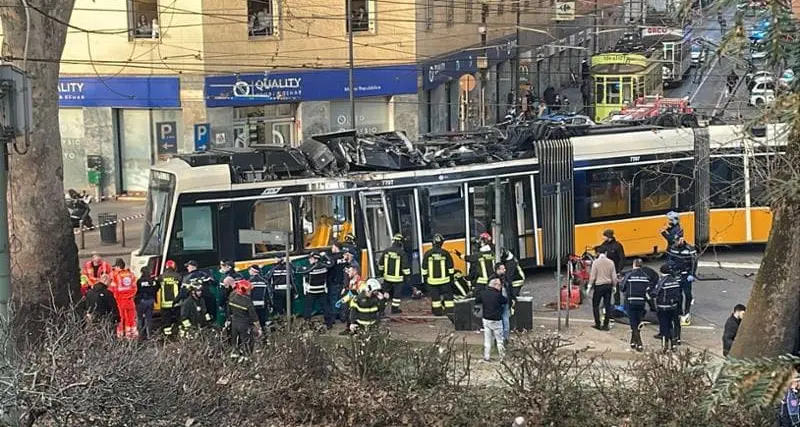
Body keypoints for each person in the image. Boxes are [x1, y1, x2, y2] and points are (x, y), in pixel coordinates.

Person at [620, 259, 651, 352]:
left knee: (633, 323)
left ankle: (639, 342)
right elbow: (648, 289)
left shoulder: (629, 275)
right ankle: (633, 341)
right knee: (638, 322)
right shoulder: (646, 276)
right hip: (641, 302)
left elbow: (622, 287)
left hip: (631, 301)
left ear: (634, 265)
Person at [227, 279, 262, 361]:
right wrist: (259, 328)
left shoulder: (232, 295)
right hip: (245, 325)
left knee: (235, 343)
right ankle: (247, 361)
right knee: (247, 344)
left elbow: (229, 310)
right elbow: (254, 317)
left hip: (234, 323)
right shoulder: (247, 301)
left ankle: (234, 360)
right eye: (248, 290)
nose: (250, 292)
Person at [650, 264, 683, 352]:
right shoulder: (675, 281)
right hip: (674, 306)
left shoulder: (662, 281)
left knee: (664, 326)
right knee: (671, 325)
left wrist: (649, 292)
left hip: (663, 307)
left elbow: (655, 293)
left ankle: (665, 346)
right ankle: (674, 344)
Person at [667, 236, 698, 326]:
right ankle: (680, 311)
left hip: (686, 274)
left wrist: (691, 274)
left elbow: (694, 262)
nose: (676, 243)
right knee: (678, 294)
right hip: (677, 274)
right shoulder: (673, 248)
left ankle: (687, 311)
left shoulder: (689, 248)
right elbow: (670, 260)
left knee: (688, 294)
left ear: (682, 239)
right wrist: (671, 272)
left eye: (677, 241)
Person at [421, 234, 455, 316]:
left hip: (432, 282)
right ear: (441, 243)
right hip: (445, 281)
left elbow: (424, 269)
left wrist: (426, 279)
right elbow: (451, 268)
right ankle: (450, 312)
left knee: (435, 299)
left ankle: (437, 312)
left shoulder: (427, 254)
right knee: (448, 298)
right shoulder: (445, 253)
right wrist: (451, 278)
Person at [298, 252, 334, 329]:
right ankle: (329, 324)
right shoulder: (325, 266)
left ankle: (307, 322)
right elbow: (331, 262)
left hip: (312, 291)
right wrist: (325, 255)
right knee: (325, 307)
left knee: (308, 308)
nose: (309, 260)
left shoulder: (311, 268)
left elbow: (299, 271)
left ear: (316, 259)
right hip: (322, 290)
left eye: (311, 258)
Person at [455, 232, 495, 301]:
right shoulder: (492, 254)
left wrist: (459, 255)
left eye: (480, 240)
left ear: (483, 242)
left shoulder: (478, 255)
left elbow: (467, 258)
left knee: (476, 297)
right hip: (492, 280)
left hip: (482, 281)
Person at [378, 233, 410, 314]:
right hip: (398, 279)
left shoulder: (386, 251)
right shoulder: (402, 253)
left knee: (385, 294)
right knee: (396, 296)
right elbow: (405, 267)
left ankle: (381, 310)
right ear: (400, 243)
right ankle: (394, 309)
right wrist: (407, 277)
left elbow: (380, 264)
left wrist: (381, 273)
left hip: (387, 278)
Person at [477, 278, 507, 362]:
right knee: (499, 340)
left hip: (486, 319)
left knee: (487, 339)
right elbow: (505, 301)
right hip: (497, 320)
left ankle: (487, 357)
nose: (500, 287)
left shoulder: (483, 293)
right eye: (499, 285)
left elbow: (477, 300)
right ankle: (502, 358)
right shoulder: (498, 295)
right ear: (495, 285)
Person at [588, 248, 618, 331]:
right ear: (606, 252)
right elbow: (614, 277)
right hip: (608, 285)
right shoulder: (611, 262)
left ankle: (598, 323)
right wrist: (614, 286)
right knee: (607, 305)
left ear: (598, 253)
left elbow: (593, 276)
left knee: (595, 305)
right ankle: (606, 324)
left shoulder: (595, 262)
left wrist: (589, 286)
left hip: (599, 286)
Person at [595, 229, 626, 305]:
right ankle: (606, 302)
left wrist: (619, 270)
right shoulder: (604, 244)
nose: (603, 238)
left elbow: (622, 258)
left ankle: (617, 303)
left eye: (604, 236)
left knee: (615, 287)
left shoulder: (617, 246)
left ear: (609, 237)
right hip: (605, 269)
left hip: (614, 269)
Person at [111, 259, 138, 340]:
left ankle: (121, 336)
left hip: (120, 301)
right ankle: (132, 336)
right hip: (130, 300)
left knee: (121, 319)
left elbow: (112, 288)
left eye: (115, 267)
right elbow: (135, 288)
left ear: (118, 267)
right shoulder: (131, 275)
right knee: (131, 319)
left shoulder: (115, 276)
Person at [490, 263, 515, 343]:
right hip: (498, 303)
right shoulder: (495, 279)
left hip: (504, 302)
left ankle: (503, 338)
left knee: (504, 320)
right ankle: (501, 338)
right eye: (503, 269)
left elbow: (510, 289)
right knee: (501, 320)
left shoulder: (505, 278)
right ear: (497, 270)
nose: (505, 270)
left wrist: (513, 299)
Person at [157, 260, 182, 337]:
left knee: (166, 322)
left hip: (165, 304)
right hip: (176, 303)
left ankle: (167, 337)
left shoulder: (161, 277)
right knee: (179, 319)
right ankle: (180, 334)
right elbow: (181, 288)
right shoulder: (178, 276)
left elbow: (157, 287)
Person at [134, 266, 158, 340]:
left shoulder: (140, 281)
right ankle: (149, 335)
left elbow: (136, 291)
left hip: (141, 301)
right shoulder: (153, 281)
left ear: (142, 272)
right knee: (149, 318)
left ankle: (140, 335)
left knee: (140, 318)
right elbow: (156, 289)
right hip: (151, 300)